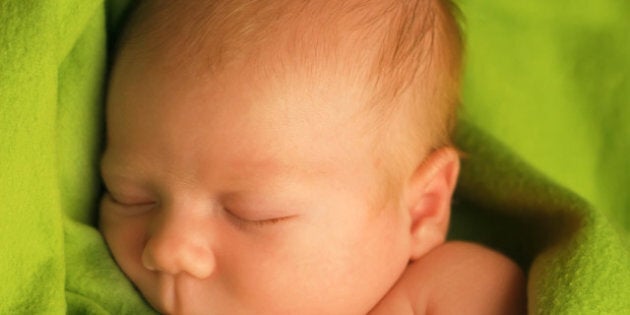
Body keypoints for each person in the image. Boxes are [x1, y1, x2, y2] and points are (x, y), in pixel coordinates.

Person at [99, 0, 526, 314]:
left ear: (421, 210)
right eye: (129, 196)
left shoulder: (454, 289)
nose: (167, 248)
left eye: (255, 213)